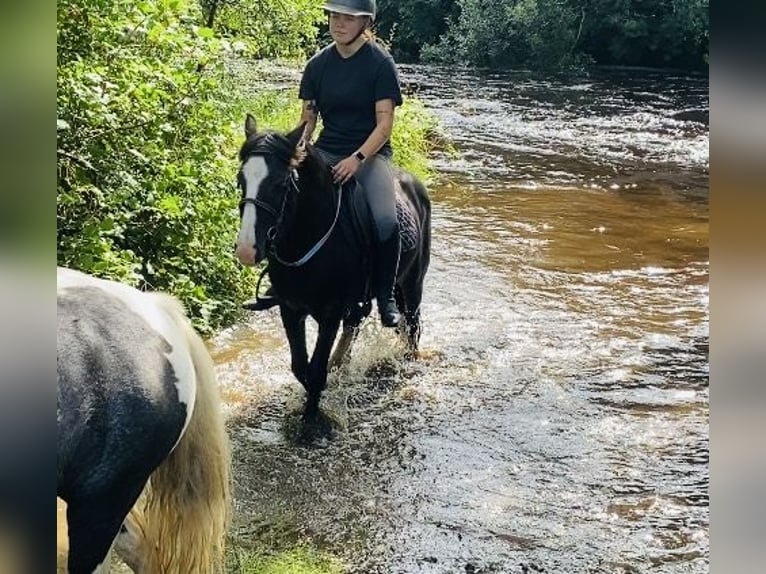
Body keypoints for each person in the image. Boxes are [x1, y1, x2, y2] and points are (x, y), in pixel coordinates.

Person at [245, 0, 404, 328]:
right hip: (326, 150)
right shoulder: (318, 64)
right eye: (334, 16)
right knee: (288, 200)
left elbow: (384, 125)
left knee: (385, 219)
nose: (338, 23)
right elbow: (309, 116)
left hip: (369, 154)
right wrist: (299, 147)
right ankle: (281, 282)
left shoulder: (380, 63)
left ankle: (385, 294)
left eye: (347, 18)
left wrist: (357, 159)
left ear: (364, 23)